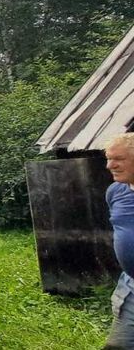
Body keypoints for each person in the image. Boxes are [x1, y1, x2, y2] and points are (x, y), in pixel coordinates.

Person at [107, 133, 134, 349]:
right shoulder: (116, 191)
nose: (110, 165)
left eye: (118, 159)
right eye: (108, 158)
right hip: (131, 287)